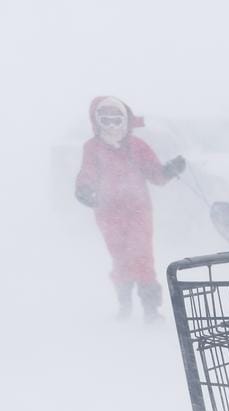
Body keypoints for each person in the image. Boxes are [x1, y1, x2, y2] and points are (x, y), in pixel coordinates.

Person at [74, 96, 185, 321]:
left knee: (142, 257)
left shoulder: (137, 147)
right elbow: (87, 173)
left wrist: (170, 170)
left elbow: (156, 175)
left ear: (126, 121)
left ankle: (151, 310)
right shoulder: (93, 148)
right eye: (106, 120)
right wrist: (84, 189)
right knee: (120, 258)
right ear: (97, 122)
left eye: (117, 120)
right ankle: (124, 304)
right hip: (107, 212)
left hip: (138, 211)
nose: (112, 126)